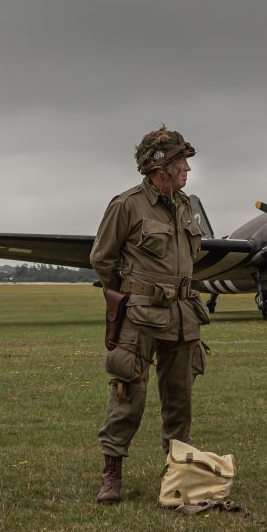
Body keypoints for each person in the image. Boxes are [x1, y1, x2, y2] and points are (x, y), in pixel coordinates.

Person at [89, 125, 210, 504]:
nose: (187, 168)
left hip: (183, 317)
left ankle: (177, 475)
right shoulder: (126, 205)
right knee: (127, 396)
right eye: (181, 162)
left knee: (180, 401)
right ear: (160, 167)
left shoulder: (187, 205)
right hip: (140, 320)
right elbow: (101, 259)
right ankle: (112, 474)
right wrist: (129, 293)